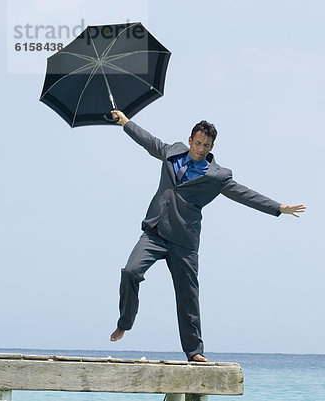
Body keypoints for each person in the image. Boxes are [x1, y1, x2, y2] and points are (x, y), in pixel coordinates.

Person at [108, 110, 306, 362]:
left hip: (185, 242)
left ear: (213, 146)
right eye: (198, 143)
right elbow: (148, 141)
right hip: (155, 232)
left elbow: (244, 194)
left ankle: (195, 352)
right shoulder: (171, 153)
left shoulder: (217, 177)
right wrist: (126, 122)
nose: (201, 149)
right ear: (190, 140)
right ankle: (125, 322)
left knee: (188, 297)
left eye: (207, 146)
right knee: (130, 272)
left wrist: (277, 207)